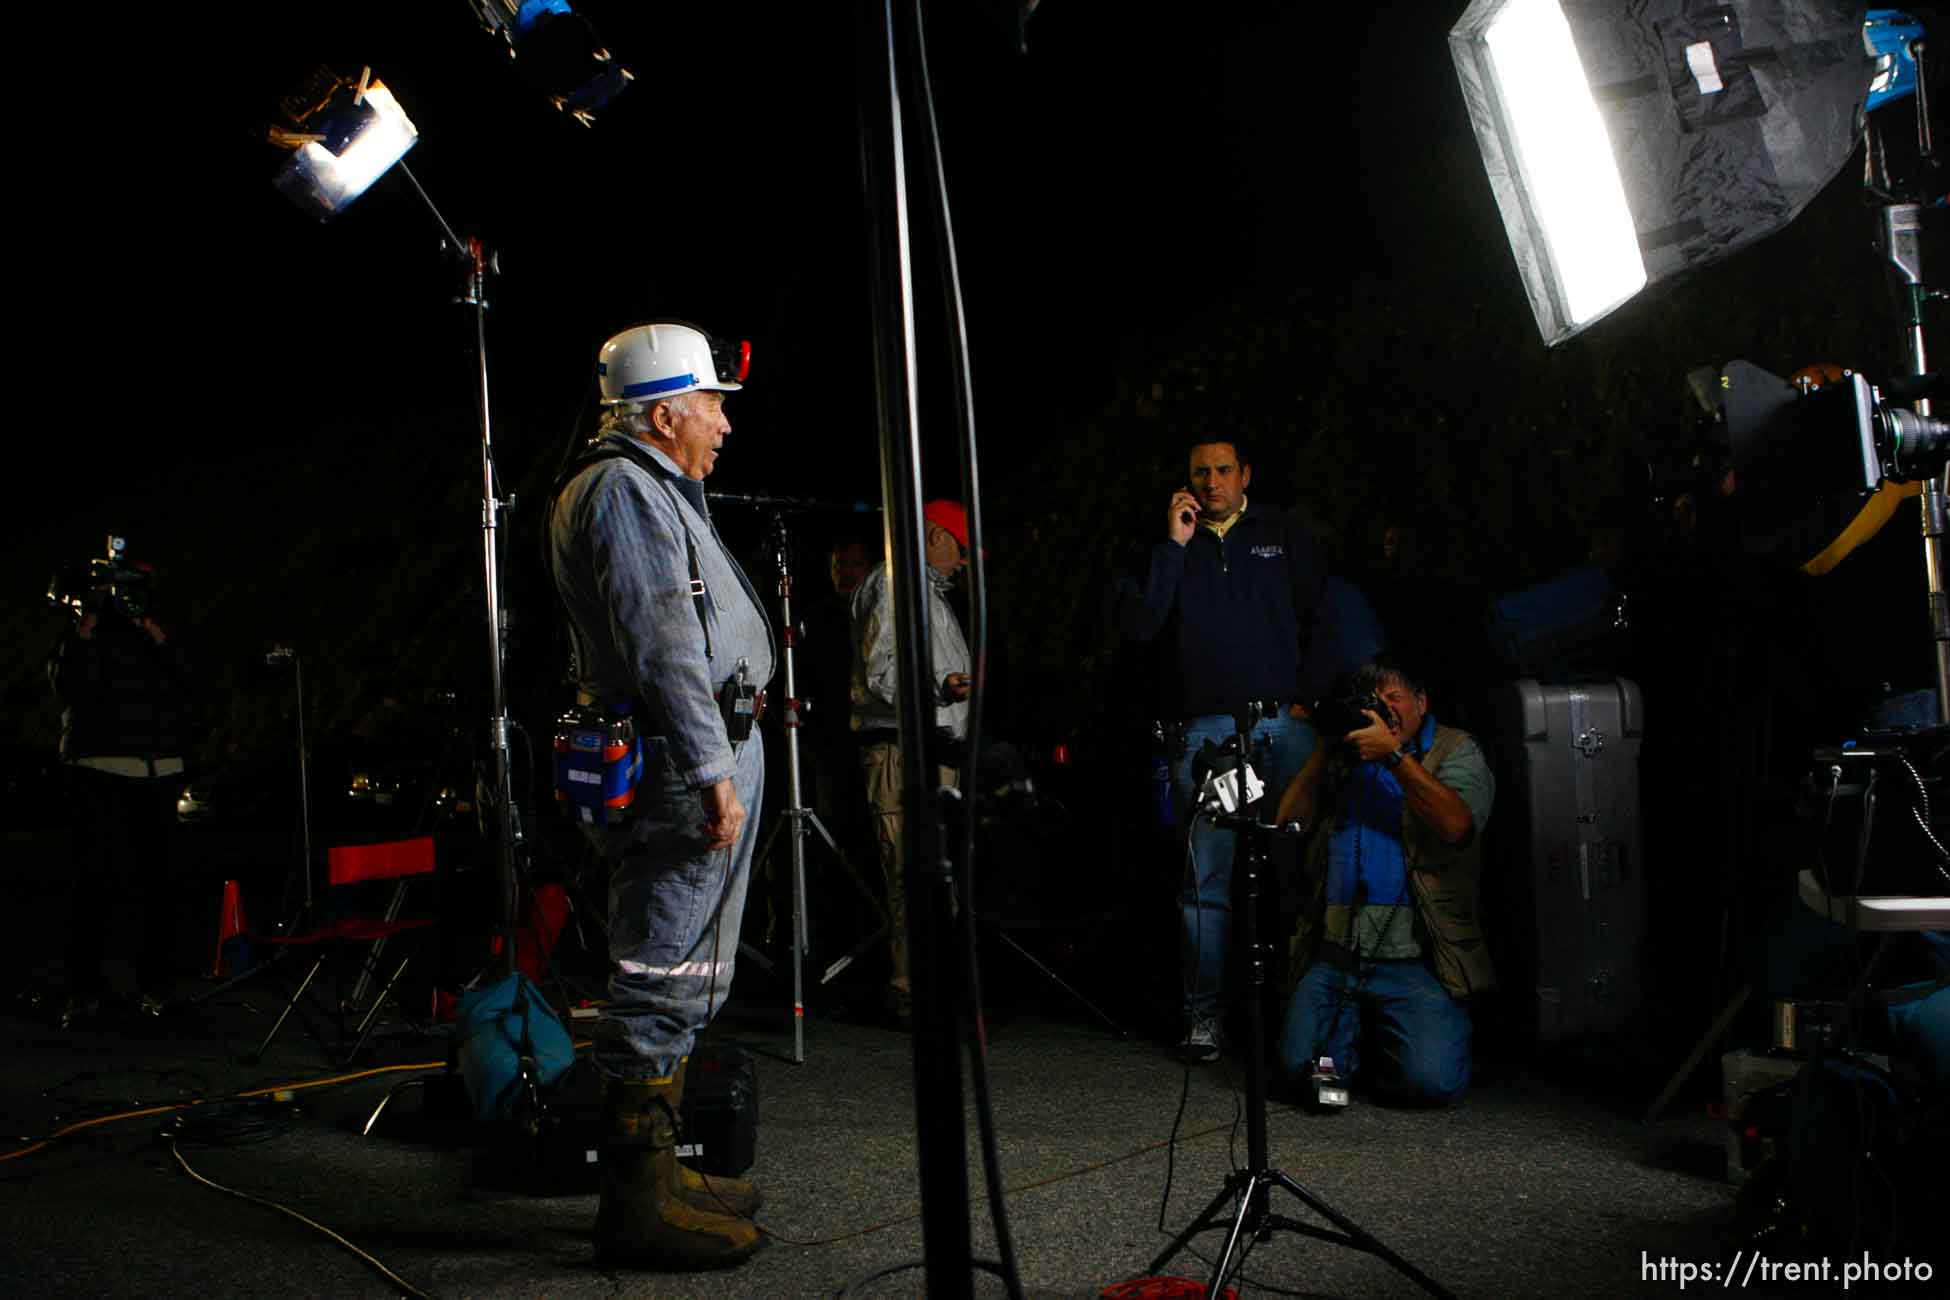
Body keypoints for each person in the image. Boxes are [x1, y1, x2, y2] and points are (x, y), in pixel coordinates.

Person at [547, 320, 775, 1270]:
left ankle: (665, 1172)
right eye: (713, 402)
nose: (724, 421)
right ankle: (635, 1212)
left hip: (701, 753)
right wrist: (715, 772)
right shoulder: (622, 495)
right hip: (684, 765)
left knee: (686, 973)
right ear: (665, 410)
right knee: (657, 971)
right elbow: (663, 646)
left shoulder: (652, 489)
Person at [1115, 438, 1327, 1062]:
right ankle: (1203, 1018)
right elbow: (1141, 624)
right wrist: (1174, 547)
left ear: (1245, 475)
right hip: (1207, 732)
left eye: (1222, 470)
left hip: (1283, 728)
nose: (1211, 481)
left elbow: (1320, 614)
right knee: (1205, 882)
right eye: (1199, 472)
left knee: (1296, 873)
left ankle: (1299, 1017)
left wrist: (1309, 698)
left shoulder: (1282, 533)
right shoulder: (1167, 544)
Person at [1273, 653, 1495, 1107]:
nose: (1384, 709)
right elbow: (1286, 824)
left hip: (1415, 958)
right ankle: (1347, 1045)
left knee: (1430, 1084)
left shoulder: (1455, 749)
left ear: (1422, 702)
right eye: (1373, 701)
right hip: (1338, 957)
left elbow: (1457, 826)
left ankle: (1384, 1044)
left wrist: (1392, 756)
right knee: (1298, 1073)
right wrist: (1328, 745)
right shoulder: (1344, 758)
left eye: (1394, 698)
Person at [46, 548, 196, 1026]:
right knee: (94, 882)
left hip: (159, 771)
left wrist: (147, 622)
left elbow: (187, 679)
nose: (122, 599)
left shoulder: (153, 634)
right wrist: (88, 618)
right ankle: (84, 989)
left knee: (161, 886)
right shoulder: (83, 638)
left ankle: (156, 986)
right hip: (99, 770)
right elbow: (68, 684)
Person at [850, 500, 972, 1026]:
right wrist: (940, 687)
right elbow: (882, 674)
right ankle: (915, 997)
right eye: (960, 549)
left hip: (931, 753)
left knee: (930, 875)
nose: (964, 564)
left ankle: (933, 992)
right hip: (904, 753)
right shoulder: (896, 585)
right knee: (910, 873)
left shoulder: (926, 595)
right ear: (934, 536)